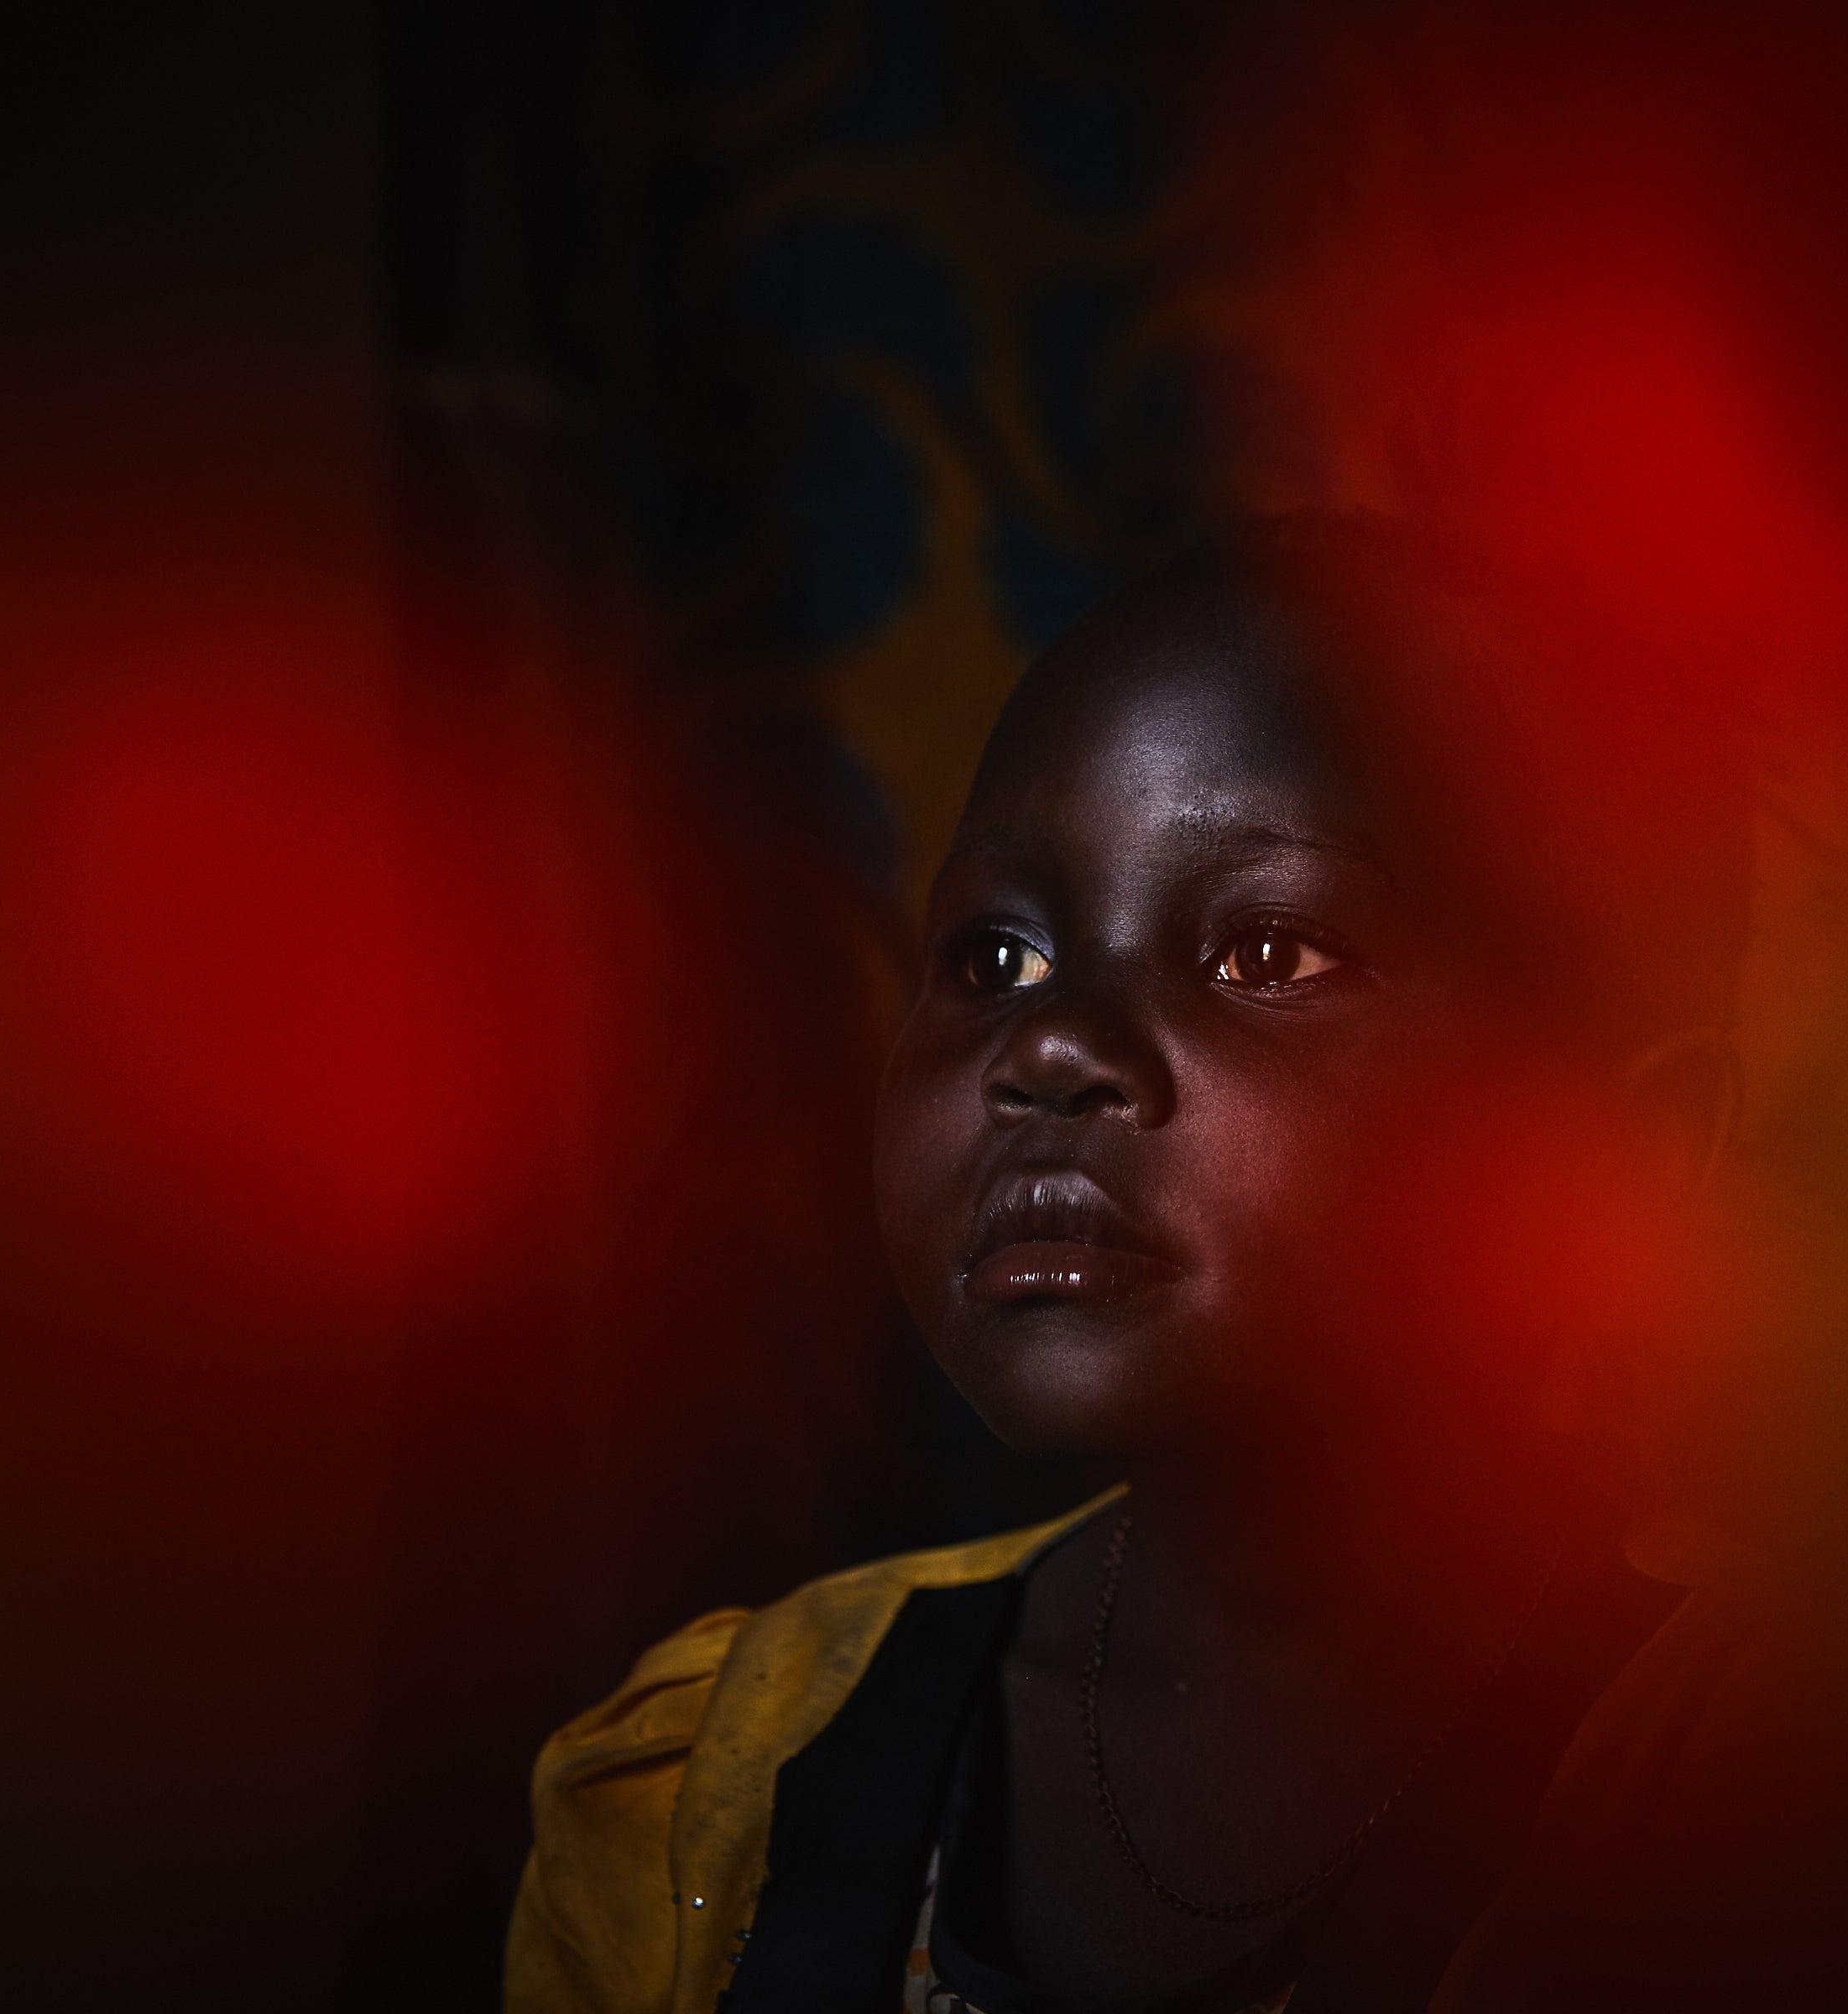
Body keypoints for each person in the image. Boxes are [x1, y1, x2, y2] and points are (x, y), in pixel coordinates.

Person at [504, 514, 1757, 2012]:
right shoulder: (721, 1779)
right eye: (995, 959)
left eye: (1268, 955)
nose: (1047, 1046)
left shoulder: (1813, 1791)